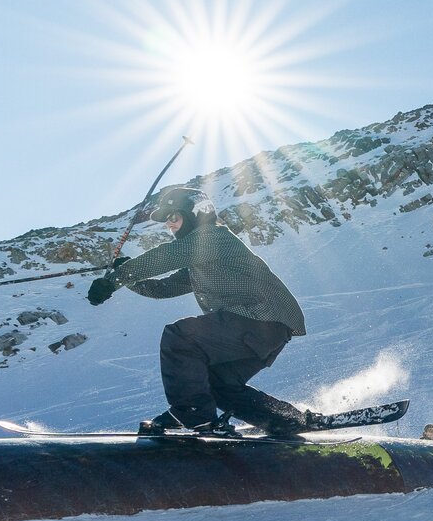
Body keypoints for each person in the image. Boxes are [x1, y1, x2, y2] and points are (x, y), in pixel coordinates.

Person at [89, 185, 311, 436]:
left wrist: (115, 278)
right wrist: (128, 278)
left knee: (181, 336)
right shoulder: (201, 259)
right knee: (218, 386)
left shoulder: (213, 237)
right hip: (266, 331)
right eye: (166, 221)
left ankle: (192, 413)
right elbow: (164, 288)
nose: (169, 225)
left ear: (195, 213)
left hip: (258, 318)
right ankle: (286, 420)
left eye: (173, 216)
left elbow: (168, 256)